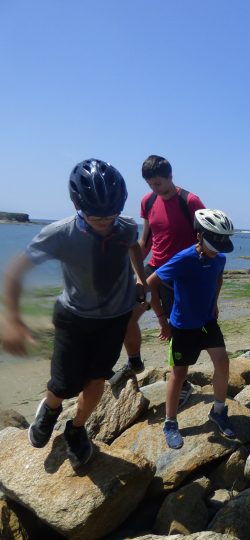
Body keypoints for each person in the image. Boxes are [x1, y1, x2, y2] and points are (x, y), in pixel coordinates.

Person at [2, 159, 146, 465]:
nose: (106, 221)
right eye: (97, 216)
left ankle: (76, 429)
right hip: (74, 318)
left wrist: (139, 275)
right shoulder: (59, 234)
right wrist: (12, 320)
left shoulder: (127, 226)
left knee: (97, 381)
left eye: (112, 214)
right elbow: (15, 272)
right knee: (63, 385)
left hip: (115, 318)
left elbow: (134, 245)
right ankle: (50, 409)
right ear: (77, 204)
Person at [116, 155, 204, 408]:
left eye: (159, 184)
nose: (155, 189)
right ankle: (134, 362)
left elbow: (206, 240)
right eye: (150, 184)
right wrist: (133, 272)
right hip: (155, 267)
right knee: (127, 316)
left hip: (183, 272)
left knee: (178, 331)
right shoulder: (148, 201)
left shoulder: (191, 201)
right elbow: (146, 239)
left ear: (170, 177)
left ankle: (182, 383)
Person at [148, 209, 237, 449]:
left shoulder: (219, 258)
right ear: (199, 235)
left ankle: (218, 411)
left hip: (207, 321)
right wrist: (161, 320)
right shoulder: (184, 258)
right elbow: (150, 284)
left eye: (222, 243)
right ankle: (170, 422)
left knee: (223, 362)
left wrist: (215, 303)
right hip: (183, 326)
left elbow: (218, 278)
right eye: (214, 243)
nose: (217, 249)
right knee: (179, 375)